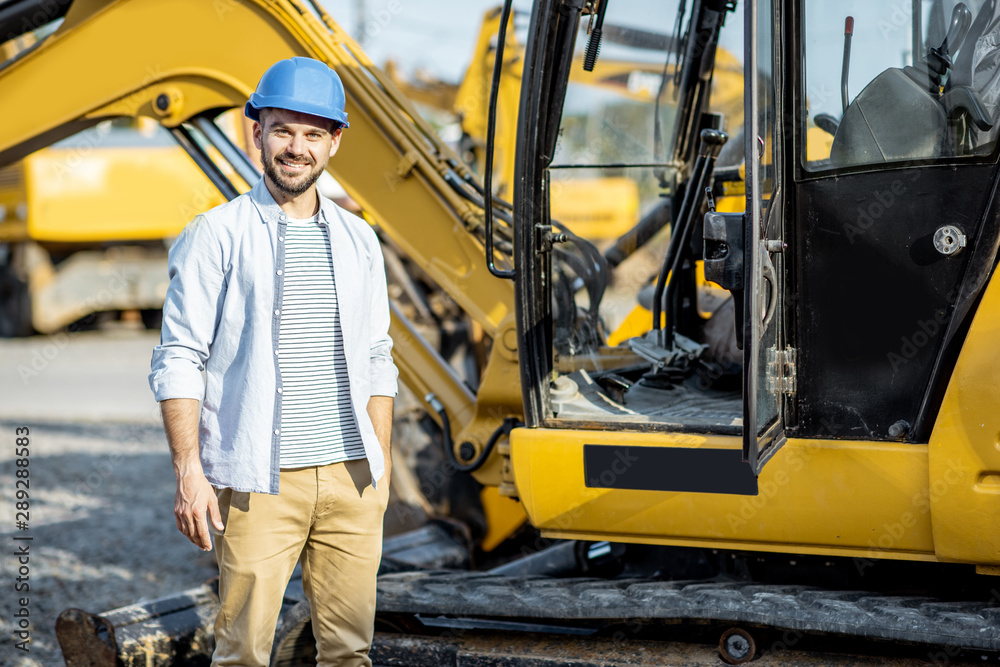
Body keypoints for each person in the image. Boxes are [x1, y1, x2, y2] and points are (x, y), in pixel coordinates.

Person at [148, 57, 398, 667]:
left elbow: (377, 354)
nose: (296, 147)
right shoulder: (217, 233)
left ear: (334, 142)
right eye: (283, 129)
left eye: (313, 134)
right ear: (255, 131)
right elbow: (179, 355)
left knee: (349, 655)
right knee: (242, 656)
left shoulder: (359, 238)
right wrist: (189, 471)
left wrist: (381, 462)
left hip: (352, 479)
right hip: (260, 482)